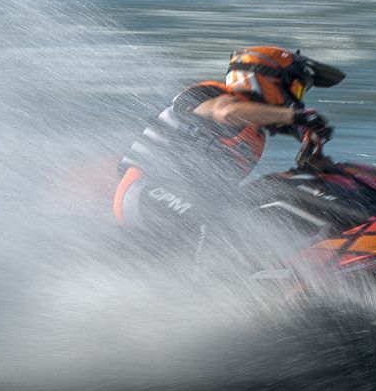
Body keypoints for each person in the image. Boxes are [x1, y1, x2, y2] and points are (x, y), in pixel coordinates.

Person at [113, 46, 343, 255]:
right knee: (215, 228)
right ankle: (209, 285)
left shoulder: (256, 135)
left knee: (262, 214)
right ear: (265, 79)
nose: (296, 99)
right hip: (145, 188)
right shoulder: (211, 94)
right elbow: (226, 112)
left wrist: (315, 154)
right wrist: (293, 116)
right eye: (296, 88)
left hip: (189, 200)